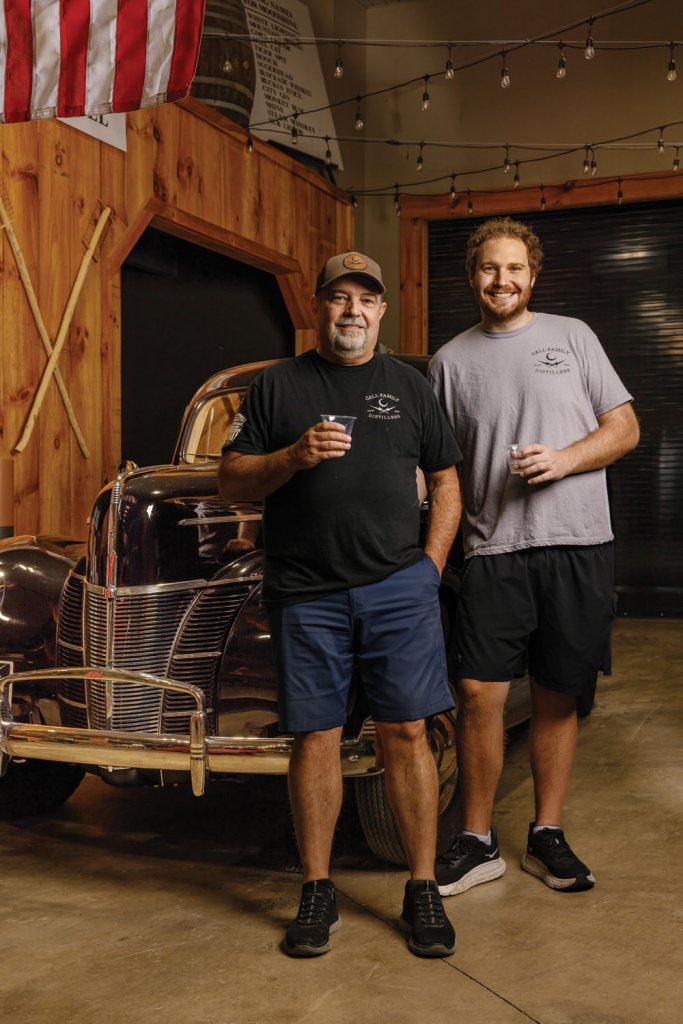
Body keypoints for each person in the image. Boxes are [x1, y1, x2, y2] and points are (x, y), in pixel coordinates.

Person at [218, 251, 461, 957]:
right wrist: (290, 458)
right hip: (305, 592)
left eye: (365, 298)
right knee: (315, 737)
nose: (351, 310)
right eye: (338, 298)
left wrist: (429, 568)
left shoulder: (410, 388)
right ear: (317, 309)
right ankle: (317, 888)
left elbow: (446, 481)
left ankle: (421, 887)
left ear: (381, 310)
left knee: (407, 733)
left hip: (396, 590)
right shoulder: (276, 387)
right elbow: (232, 481)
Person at [428, 217, 639, 896]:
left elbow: (624, 428)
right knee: (478, 693)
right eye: (489, 268)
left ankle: (546, 834)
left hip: (578, 544)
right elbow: (440, 470)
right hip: (494, 549)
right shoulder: (448, 362)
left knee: (556, 693)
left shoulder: (571, 337)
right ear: (472, 277)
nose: (502, 280)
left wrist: (564, 458)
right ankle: (475, 838)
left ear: (532, 274)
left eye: (514, 268)